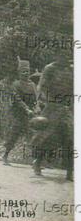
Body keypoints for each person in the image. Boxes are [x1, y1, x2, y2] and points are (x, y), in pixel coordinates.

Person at [31, 51, 73, 181]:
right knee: (46, 137)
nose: (65, 57)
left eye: (67, 55)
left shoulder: (71, 70)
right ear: (56, 55)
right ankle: (37, 162)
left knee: (70, 138)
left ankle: (69, 172)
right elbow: (41, 87)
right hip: (52, 106)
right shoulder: (50, 68)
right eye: (62, 54)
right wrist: (39, 103)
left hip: (67, 108)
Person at [2, 60, 38, 165]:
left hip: (30, 114)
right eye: (23, 72)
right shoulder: (15, 84)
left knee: (33, 135)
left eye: (27, 71)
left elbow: (37, 98)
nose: (26, 73)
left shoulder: (33, 85)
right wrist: (26, 109)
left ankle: (36, 161)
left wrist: (36, 107)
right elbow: (17, 100)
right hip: (17, 114)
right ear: (19, 73)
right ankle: (5, 155)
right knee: (13, 135)